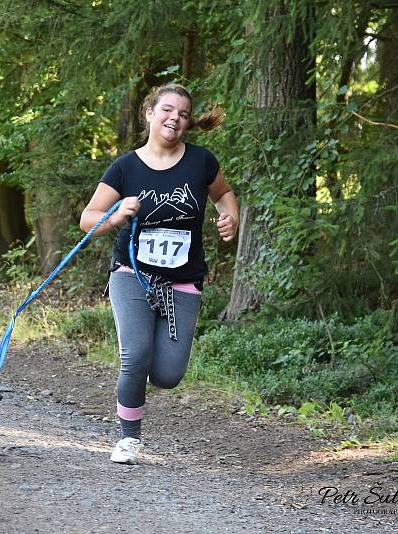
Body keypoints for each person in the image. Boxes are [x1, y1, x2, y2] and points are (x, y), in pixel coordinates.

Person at [79, 84, 239, 464]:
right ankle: (128, 439)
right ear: (149, 113)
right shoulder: (125, 167)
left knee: (167, 375)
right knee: (134, 357)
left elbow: (223, 194)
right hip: (131, 273)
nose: (176, 119)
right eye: (168, 110)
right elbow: (87, 218)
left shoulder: (201, 162)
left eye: (184, 115)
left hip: (182, 281)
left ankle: (146, 371)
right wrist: (115, 215)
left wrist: (230, 217)